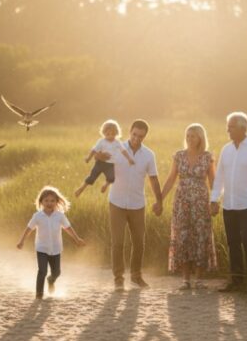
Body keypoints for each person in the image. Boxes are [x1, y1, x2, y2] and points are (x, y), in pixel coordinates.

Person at [98, 119, 163, 291]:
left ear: (145, 136)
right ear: (130, 132)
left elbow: (154, 179)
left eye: (140, 136)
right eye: (134, 134)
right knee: (118, 242)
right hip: (117, 203)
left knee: (139, 243)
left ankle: (136, 276)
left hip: (137, 204)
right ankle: (118, 278)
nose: (136, 138)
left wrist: (159, 201)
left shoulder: (149, 155)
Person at [210, 112, 247, 292]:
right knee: (232, 242)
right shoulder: (226, 149)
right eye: (228, 126)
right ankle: (236, 281)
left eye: (231, 126)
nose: (227, 129)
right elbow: (219, 177)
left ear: (243, 128)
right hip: (229, 205)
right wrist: (214, 200)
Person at [161, 123, 217, 290]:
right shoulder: (179, 156)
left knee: (201, 236)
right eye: (187, 136)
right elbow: (171, 178)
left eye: (193, 136)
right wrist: (160, 199)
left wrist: (215, 202)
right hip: (182, 201)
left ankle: (199, 279)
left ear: (200, 137)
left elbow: (214, 181)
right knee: (183, 236)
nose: (190, 139)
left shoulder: (208, 157)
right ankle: (185, 279)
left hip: (201, 202)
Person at [17, 186, 85, 299]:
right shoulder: (37, 216)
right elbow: (29, 229)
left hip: (56, 248)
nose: (49, 203)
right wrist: (21, 241)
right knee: (42, 271)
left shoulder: (60, 216)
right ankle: (39, 294)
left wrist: (77, 239)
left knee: (57, 272)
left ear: (57, 202)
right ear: (41, 202)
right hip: (42, 248)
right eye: (46, 200)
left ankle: (51, 280)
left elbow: (68, 228)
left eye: (52, 200)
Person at [75, 119, 135, 197]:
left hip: (110, 165)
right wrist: (88, 158)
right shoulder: (101, 141)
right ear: (104, 133)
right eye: (108, 134)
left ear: (116, 133)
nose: (110, 136)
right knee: (92, 177)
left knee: (111, 178)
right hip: (100, 163)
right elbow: (94, 150)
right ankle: (81, 188)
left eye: (113, 134)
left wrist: (129, 159)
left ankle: (105, 185)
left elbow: (123, 151)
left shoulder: (117, 142)